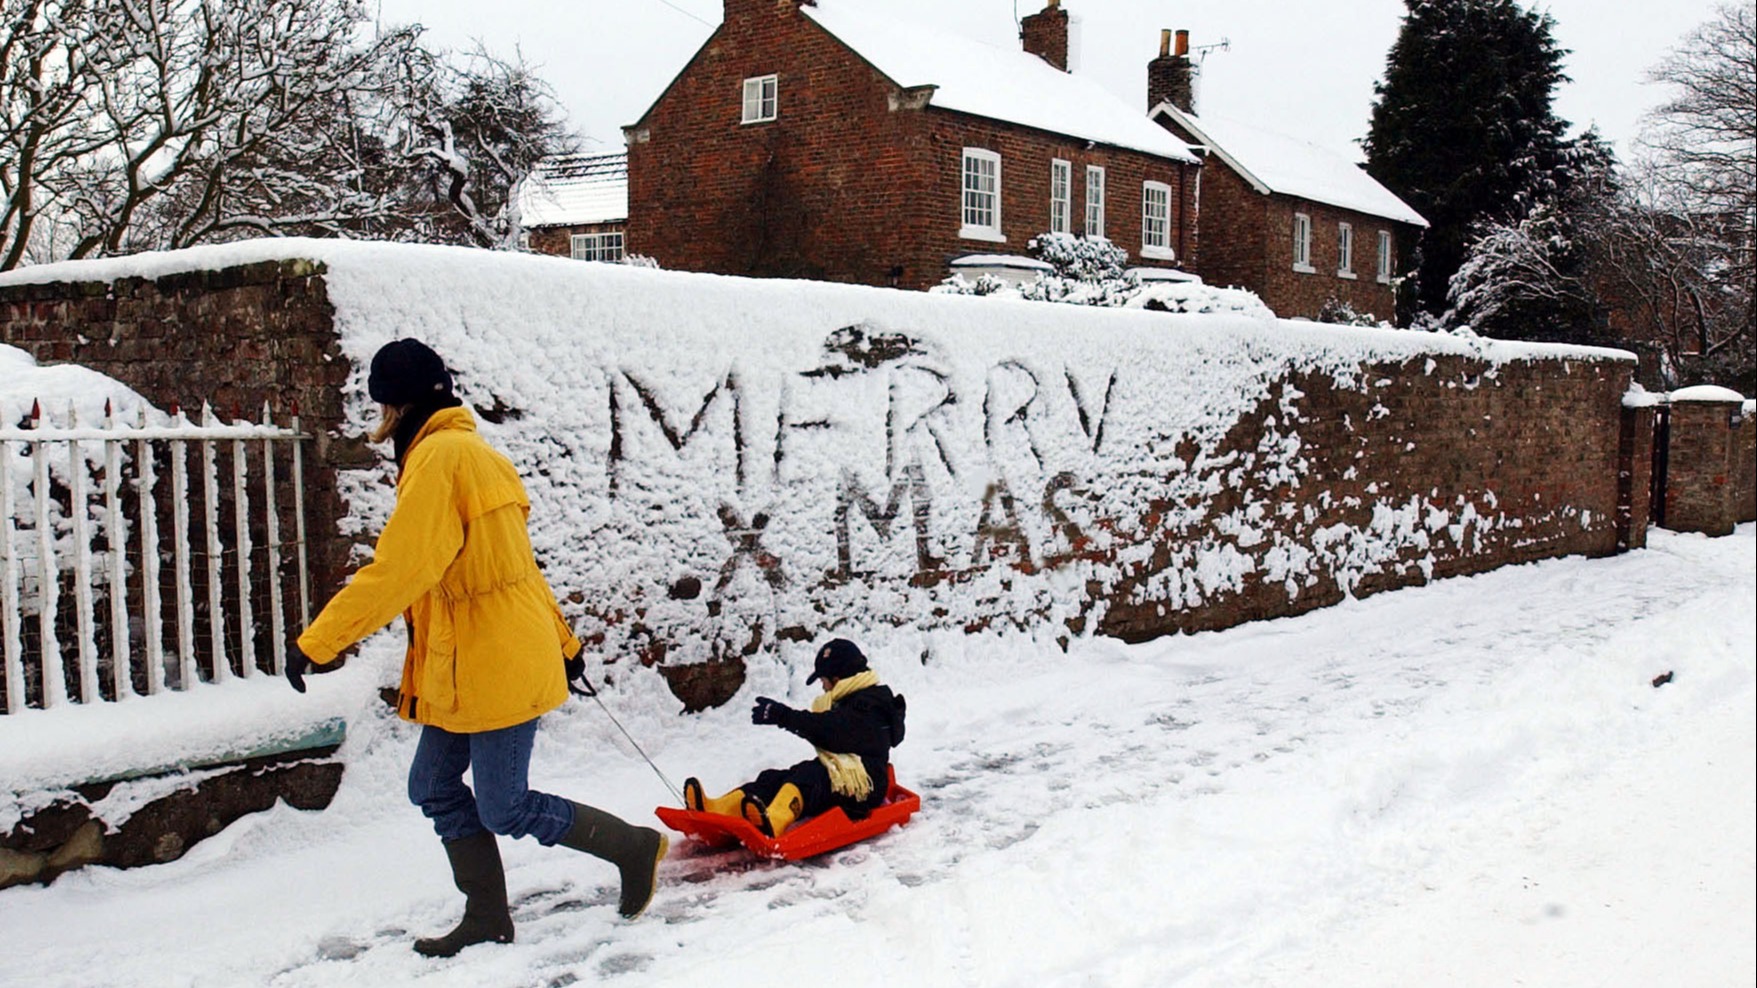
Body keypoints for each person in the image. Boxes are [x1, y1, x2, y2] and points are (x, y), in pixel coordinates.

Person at [284, 338, 666, 957]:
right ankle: (486, 916)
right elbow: (520, 572)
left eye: (382, 405)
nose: (378, 420)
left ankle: (631, 847)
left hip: (495, 664)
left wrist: (319, 642)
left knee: (503, 805)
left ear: (399, 406)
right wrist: (564, 642)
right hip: (474, 661)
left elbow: (400, 571)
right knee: (434, 784)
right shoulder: (474, 454)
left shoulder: (441, 461)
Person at [685, 639, 906, 837]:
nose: (822, 686)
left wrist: (784, 716)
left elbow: (831, 730)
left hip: (864, 788)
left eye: (823, 679)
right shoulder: (852, 698)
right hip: (842, 775)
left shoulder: (871, 705)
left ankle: (773, 820)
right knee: (775, 778)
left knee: (808, 778)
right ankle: (717, 809)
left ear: (837, 678)